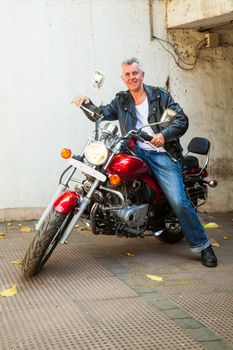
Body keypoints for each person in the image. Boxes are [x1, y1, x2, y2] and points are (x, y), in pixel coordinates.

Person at [73, 57, 217, 267]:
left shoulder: (160, 95)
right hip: (134, 150)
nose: (132, 78)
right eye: (128, 75)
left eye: (135, 73)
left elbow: (181, 119)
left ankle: (203, 245)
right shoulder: (122, 100)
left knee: (178, 200)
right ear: (123, 79)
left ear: (142, 75)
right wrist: (87, 103)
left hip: (162, 153)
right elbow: (101, 114)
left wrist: (165, 135)